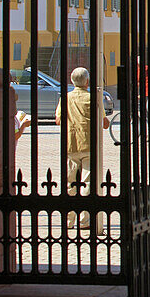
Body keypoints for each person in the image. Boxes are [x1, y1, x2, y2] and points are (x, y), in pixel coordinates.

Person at [55, 67, 110, 230]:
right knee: (87, 183)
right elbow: (105, 123)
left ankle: (68, 220)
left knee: (70, 183)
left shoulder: (66, 98)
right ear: (87, 81)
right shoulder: (93, 97)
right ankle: (85, 221)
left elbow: (58, 119)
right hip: (89, 144)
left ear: (72, 81)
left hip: (71, 144)